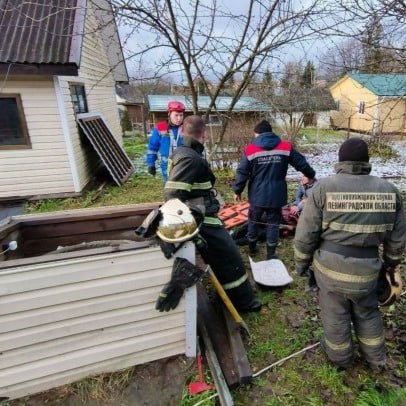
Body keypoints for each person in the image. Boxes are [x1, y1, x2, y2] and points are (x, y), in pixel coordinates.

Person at [294, 137, 406, 371]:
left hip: (330, 270)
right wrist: (391, 266)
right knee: (368, 313)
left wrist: (301, 265)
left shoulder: (322, 189)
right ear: (367, 161)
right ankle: (376, 360)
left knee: (335, 316)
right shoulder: (390, 191)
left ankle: (341, 360)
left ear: (340, 160)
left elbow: (306, 234)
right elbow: (397, 239)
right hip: (368, 271)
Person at [164, 115, 261, 313]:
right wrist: (189, 229)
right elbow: (172, 194)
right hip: (201, 221)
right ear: (205, 135)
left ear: (182, 132)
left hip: (201, 216)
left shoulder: (183, 152)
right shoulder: (191, 159)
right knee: (230, 258)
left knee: (226, 256)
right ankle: (244, 303)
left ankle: (237, 298)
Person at [232, 120, 316, 260]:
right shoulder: (285, 147)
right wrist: (311, 175)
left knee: (253, 221)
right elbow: (301, 163)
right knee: (273, 224)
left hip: (257, 195)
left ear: (257, 134)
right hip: (276, 195)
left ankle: (252, 248)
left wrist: (237, 190)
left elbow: (242, 172)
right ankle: (271, 254)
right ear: (271, 132)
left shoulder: (250, 149)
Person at [146, 100, 185, 182]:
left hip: (183, 163)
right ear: (169, 114)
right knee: (169, 188)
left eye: (181, 115)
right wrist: (151, 164)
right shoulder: (160, 127)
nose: (179, 118)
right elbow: (152, 148)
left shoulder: (186, 128)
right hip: (166, 165)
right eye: (176, 115)